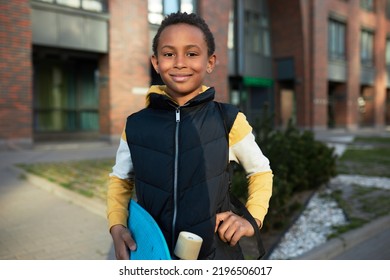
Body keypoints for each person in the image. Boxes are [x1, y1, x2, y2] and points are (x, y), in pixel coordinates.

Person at [107, 11, 273, 260]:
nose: (180, 62)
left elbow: (261, 171)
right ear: (155, 62)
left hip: (215, 255)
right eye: (168, 53)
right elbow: (120, 180)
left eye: (192, 53)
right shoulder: (136, 125)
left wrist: (252, 218)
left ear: (210, 62)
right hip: (153, 254)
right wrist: (117, 225)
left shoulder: (228, 120)